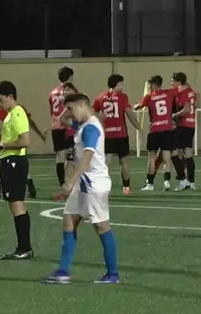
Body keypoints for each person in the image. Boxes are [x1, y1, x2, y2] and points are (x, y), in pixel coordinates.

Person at [44, 93, 120, 285]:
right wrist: (67, 107)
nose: (67, 113)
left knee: (102, 227)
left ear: (81, 106)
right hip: (84, 184)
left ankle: (113, 274)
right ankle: (63, 271)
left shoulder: (91, 128)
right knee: (69, 221)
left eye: (71, 108)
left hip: (93, 185)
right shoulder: (83, 125)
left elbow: (87, 158)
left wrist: (70, 181)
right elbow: (61, 120)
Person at [0, 80, 34, 260]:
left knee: (17, 204)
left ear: (10, 96)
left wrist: (2, 144)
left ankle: (24, 248)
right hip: (10, 160)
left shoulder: (17, 113)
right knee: (15, 204)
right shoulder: (10, 114)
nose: (0, 104)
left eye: (1, 100)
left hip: (15, 161)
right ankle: (24, 247)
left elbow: (25, 141)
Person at [0, 104, 47, 199]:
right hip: (20, 142)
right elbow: (30, 122)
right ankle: (31, 188)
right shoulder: (20, 109)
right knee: (21, 167)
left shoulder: (3, 112)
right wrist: (39, 134)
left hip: (9, 143)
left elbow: (2, 131)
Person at [93, 74, 141, 194]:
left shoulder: (100, 97)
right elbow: (129, 113)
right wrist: (138, 126)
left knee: (107, 161)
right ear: (117, 84)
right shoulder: (122, 97)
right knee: (124, 161)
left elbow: (93, 112)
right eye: (121, 84)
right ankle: (126, 188)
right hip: (121, 134)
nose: (123, 86)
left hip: (107, 134)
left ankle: (103, 187)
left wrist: (99, 122)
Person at [134, 75, 177, 191]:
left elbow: (137, 106)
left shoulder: (149, 97)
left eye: (150, 84)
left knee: (151, 158)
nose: (149, 86)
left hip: (155, 130)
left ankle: (150, 184)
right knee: (167, 157)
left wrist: (137, 105)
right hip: (168, 129)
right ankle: (167, 181)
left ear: (154, 85)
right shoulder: (169, 93)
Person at [49, 67, 78, 186]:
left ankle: (62, 183)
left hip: (56, 127)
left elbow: (52, 110)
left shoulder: (52, 93)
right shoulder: (71, 90)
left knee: (60, 156)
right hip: (68, 127)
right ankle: (70, 182)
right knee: (71, 157)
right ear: (70, 77)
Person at [171, 72, 199, 191]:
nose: (171, 83)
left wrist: (174, 115)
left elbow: (187, 109)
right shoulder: (191, 90)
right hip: (191, 124)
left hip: (183, 125)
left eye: (173, 81)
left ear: (178, 81)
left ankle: (183, 180)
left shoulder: (182, 93)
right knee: (188, 152)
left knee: (174, 152)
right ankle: (191, 182)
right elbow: (195, 101)